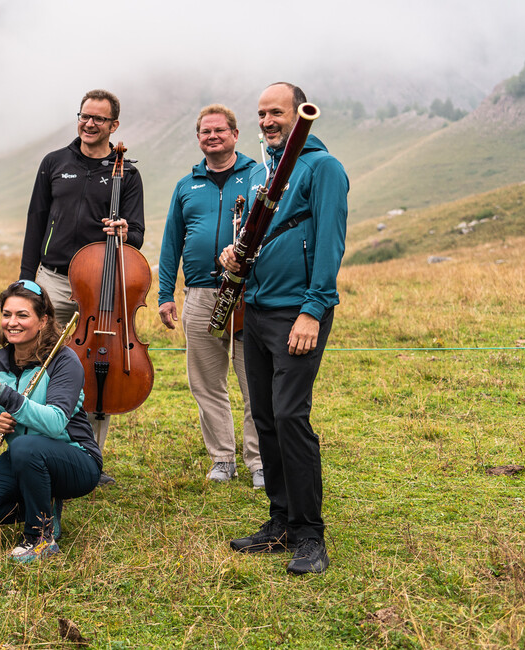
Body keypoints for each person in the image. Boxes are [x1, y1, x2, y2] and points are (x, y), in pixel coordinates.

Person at [219, 82, 348, 575]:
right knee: (266, 417)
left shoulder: (323, 167)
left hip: (298, 313)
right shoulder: (265, 171)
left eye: (276, 112)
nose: (267, 121)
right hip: (257, 308)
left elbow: (330, 242)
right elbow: (263, 237)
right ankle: (281, 522)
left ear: (298, 115)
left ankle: (310, 535)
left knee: (291, 416)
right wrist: (235, 255)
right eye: (261, 114)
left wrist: (313, 311)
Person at [18, 89, 145, 485]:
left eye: (99, 119)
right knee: (39, 363)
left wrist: (124, 232)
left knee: (98, 367)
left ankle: (89, 457)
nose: (89, 124)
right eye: (84, 116)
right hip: (53, 280)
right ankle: (36, 445)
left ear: (113, 125)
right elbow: (36, 221)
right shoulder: (54, 162)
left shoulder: (127, 174)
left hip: (100, 287)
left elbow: (137, 235)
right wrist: (26, 280)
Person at [157, 104, 263, 488]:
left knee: (255, 382)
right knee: (206, 383)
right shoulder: (186, 186)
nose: (213, 136)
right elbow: (171, 243)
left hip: (250, 294)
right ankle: (223, 458)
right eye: (206, 131)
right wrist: (165, 294)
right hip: (200, 294)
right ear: (199, 138)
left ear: (235, 134)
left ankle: (259, 462)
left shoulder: (257, 175)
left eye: (220, 130)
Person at [0, 280, 102, 563]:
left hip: (76, 459)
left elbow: (55, 423)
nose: (12, 322)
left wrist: (5, 395)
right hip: (25, 460)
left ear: (43, 320)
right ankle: (43, 507)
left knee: (25, 446)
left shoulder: (64, 360)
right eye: (7, 314)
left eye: (22, 315)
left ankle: (40, 536)